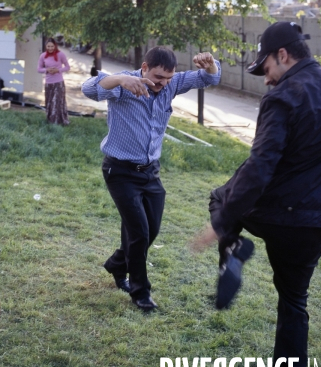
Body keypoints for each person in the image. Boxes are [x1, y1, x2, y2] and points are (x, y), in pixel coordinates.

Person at [194, 22, 321, 367]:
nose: (266, 79)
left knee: (220, 197)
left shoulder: (284, 96)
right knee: (294, 303)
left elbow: (260, 165)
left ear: (282, 55)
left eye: (266, 68)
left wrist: (221, 224)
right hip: (318, 223)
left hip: (276, 215)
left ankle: (233, 250)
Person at [81, 46, 221, 311]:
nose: (163, 84)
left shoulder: (170, 84)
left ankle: (116, 264)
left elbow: (210, 78)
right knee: (139, 233)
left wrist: (210, 64)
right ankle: (140, 292)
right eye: (158, 78)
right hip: (120, 172)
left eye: (168, 78)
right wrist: (120, 78)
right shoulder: (124, 84)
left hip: (150, 172)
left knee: (150, 230)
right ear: (144, 68)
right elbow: (89, 89)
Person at [38, 38, 71, 125]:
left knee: (57, 102)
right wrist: (47, 70)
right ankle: (50, 120)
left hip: (58, 82)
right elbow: (39, 69)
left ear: (55, 46)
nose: (50, 48)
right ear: (46, 46)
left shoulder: (61, 55)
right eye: (48, 46)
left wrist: (58, 70)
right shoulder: (43, 56)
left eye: (52, 46)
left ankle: (59, 121)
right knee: (49, 102)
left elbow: (67, 67)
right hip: (48, 83)